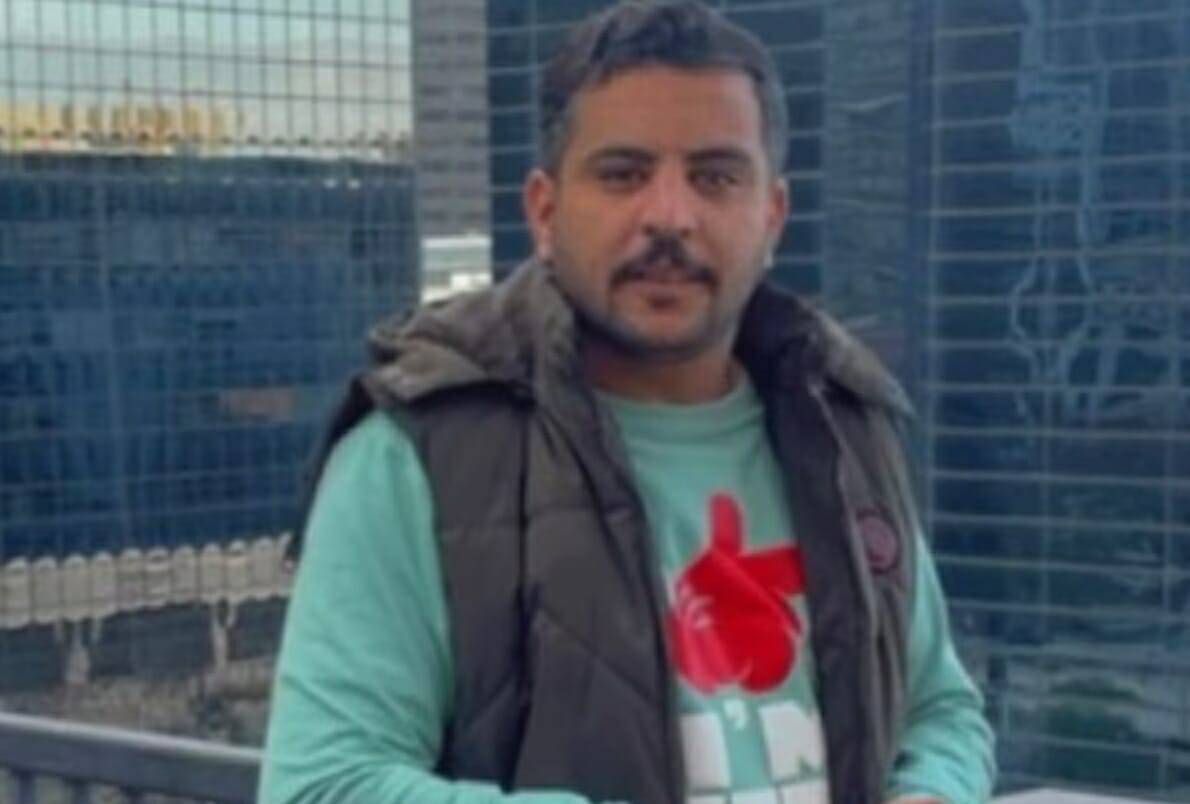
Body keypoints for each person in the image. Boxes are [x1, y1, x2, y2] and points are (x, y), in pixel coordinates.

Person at [258, 2, 996, 802]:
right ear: (545, 212)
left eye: (715, 177)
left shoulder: (844, 423)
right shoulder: (420, 452)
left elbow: (939, 710)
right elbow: (321, 785)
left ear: (772, 216)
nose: (670, 217)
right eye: (623, 174)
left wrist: (933, 792)